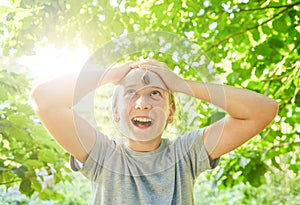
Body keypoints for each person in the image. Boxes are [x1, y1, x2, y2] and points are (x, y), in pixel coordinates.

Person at [30, 58, 278, 204]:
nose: (143, 103)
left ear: (170, 114)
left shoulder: (186, 153)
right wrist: (110, 75)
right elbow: (44, 100)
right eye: (131, 93)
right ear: (115, 113)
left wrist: (182, 85)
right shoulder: (103, 154)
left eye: (155, 93)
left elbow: (264, 110)